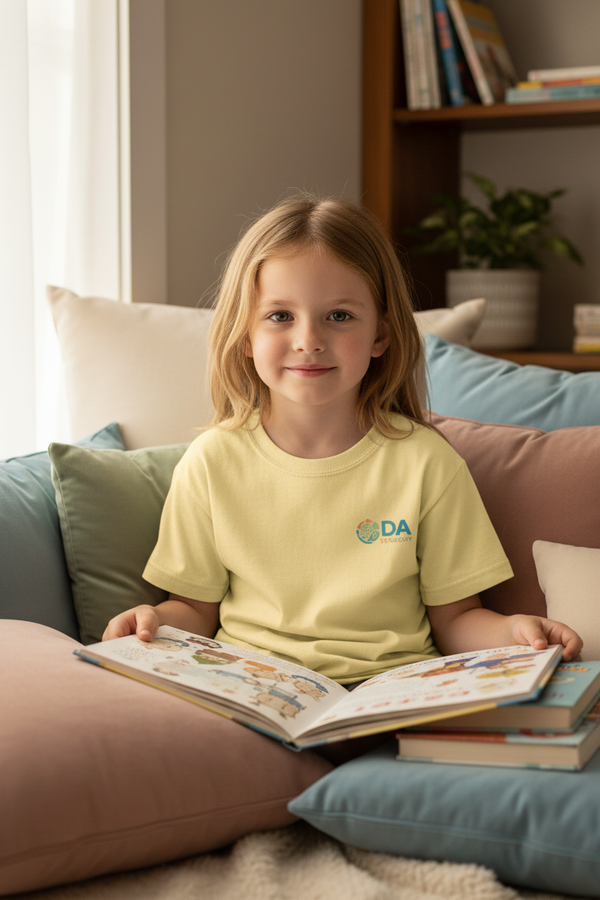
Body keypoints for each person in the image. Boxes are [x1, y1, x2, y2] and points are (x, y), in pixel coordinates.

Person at [103, 198, 582, 687]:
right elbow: (194, 611)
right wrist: (154, 622)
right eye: (280, 316)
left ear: (381, 334)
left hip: (393, 693)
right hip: (252, 691)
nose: (308, 339)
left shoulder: (426, 462)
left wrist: (515, 632)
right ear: (244, 335)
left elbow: (457, 620)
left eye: (338, 316)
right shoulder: (210, 462)